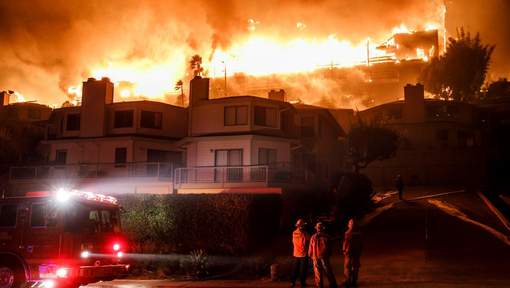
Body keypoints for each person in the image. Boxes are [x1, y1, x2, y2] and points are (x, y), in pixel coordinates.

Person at [308, 222, 337, 288]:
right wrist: (329, 253)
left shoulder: (313, 237)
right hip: (324, 256)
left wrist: (310, 254)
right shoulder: (327, 237)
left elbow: (310, 247)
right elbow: (330, 247)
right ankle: (333, 284)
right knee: (328, 270)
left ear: (317, 229)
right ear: (322, 229)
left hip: (315, 256)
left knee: (317, 271)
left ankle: (319, 285)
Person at [342, 219, 363, 287]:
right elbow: (361, 244)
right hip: (356, 252)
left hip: (348, 252)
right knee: (355, 267)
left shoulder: (347, 233)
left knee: (347, 267)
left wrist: (344, 250)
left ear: (349, 225)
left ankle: (348, 281)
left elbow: (345, 243)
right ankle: (354, 281)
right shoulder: (359, 233)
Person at [291, 219, 311, 287]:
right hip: (303, 254)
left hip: (296, 254)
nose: (303, 226)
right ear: (301, 226)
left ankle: (293, 282)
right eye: (303, 225)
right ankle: (302, 283)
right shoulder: (305, 233)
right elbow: (310, 240)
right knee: (303, 270)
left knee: (295, 269)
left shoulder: (294, 233)